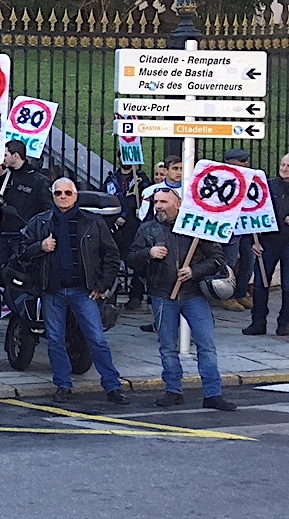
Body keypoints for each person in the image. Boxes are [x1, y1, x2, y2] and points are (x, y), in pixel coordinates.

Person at [17, 178, 129, 405]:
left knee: (97, 339)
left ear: (76, 195)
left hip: (83, 291)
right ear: (52, 195)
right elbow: (20, 251)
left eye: (68, 192)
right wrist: (40, 247)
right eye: (58, 193)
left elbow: (111, 254)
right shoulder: (41, 222)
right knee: (55, 340)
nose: (63, 197)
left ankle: (112, 386)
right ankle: (63, 384)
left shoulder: (92, 222)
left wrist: (103, 285)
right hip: (53, 291)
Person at [127, 188, 236, 411]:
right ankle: (173, 390)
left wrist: (194, 271)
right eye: (156, 201)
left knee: (206, 345)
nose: (158, 205)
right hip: (162, 295)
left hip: (194, 294)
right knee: (167, 346)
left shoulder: (195, 227)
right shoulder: (148, 229)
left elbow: (218, 259)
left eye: (164, 201)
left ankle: (213, 393)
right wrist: (148, 253)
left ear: (178, 204)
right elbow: (130, 259)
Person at [0, 140, 52, 338]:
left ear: (16, 155)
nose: (2, 158)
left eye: (5, 154)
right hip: (2, 236)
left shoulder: (38, 180)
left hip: (24, 239)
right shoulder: (4, 177)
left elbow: (47, 210)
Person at [246, 153, 289, 336]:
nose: (284, 168)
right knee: (261, 283)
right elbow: (250, 212)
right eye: (282, 164)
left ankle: (285, 323)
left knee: (288, 285)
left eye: (288, 166)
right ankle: (258, 321)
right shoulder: (268, 186)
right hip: (267, 242)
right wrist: (252, 242)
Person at [104, 160, 147, 309]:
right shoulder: (111, 178)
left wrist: (128, 214)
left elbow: (145, 199)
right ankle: (112, 295)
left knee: (136, 259)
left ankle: (136, 295)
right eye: (121, 156)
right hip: (114, 225)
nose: (124, 160)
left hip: (133, 224)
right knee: (112, 258)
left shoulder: (140, 179)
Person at [221, 148, 255, 311]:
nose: (245, 163)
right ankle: (226, 296)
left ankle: (241, 292)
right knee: (230, 262)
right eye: (242, 160)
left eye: (246, 160)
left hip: (246, 227)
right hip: (231, 228)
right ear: (230, 162)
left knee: (249, 260)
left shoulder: (250, 179)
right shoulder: (222, 179)